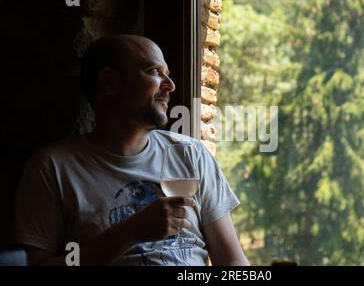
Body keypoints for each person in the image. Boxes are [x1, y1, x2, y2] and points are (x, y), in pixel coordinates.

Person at [12, 34, 249, 266]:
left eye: (168, 74)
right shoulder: (53, 167)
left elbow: (232, 261)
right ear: (110, 83)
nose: (170, 86)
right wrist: (129, 233)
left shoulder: (190, 154)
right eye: (154, 72)